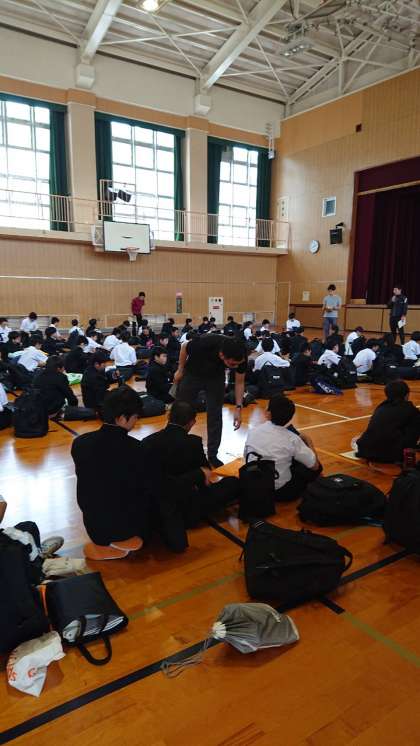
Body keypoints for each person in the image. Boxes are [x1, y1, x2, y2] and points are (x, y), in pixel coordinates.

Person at [141, 401, 239, 552]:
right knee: (232, 483)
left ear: (169, 416)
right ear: (192, 422)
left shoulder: (148, 442)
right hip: (187, 506)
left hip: (158, 508)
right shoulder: (193, 443)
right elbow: (205, 477)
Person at [71, 386, 149, 559]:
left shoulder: (80, 443)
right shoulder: (136, 449)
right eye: (135, 417)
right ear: (121, 418)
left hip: (93, 525)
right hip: (124, 528)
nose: (136, 421)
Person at [175, 335, 247, 468]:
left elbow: (239, 382)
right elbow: (184, 346)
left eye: (238, 364)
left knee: (215, 414)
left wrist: (238, 408)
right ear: (221, 355)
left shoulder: (240, 354)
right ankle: (176, 448)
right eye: (232, 364)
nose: (236, 367)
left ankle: (213, 455)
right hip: (193, 373)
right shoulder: (205, 343)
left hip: (215, 377)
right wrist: (180, 369)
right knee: (181, 410)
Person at [244, 394, 321, 501]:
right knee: (315, 467)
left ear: (268, 413)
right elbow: (315, 466)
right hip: (280, 492)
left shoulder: (253, 431)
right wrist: (308, 440)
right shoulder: (292, 438)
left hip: (252, 484)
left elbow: (246, 456)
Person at [356, 381, 420, 464]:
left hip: (364, 450)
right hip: (391, 455)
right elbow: (411, 438)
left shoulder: (380, 407)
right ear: (407, 395)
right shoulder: (411, 410)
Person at [81, 350, 113, 415]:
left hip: (91, 401)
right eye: (104, 364)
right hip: (94, 405)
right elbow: (100, 397)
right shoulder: (94, 377)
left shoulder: (90, 369)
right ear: (96, 364)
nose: (105, 366)